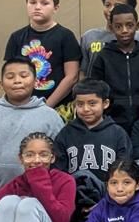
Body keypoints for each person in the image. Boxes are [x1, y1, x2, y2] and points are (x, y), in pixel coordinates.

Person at [0, 58, 64, 189]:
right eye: (10, 76)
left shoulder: (51, 116)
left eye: (24, 76)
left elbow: (60, 160)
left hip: (39, 194)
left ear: (35, 82)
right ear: (1, 83)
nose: (17, 81)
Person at [53, 79, 132, 213]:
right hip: (74, 199)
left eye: (92, 103)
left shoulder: (118, 133)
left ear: (105, 103)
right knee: (81, 176)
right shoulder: (65, 133)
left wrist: (108, 199)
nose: (86, 109)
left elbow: (125, 171)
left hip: (109, 197)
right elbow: (58, 173)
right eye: (80, 104)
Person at [4, 0, 82, 114]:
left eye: (44, 3)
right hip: (23, 107)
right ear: (26, 4)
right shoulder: (16, 37)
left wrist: (46, 107)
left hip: (58, 108)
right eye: (32, 2)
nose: (37, 7)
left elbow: (72, 77)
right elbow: (10, 75)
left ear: (56, 7)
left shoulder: (65, 36)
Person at [87, 5, 139, 130]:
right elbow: (96, 90)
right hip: (112, 122)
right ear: (111, 27)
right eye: (118, 26)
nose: (124, 30)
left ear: (137, 26)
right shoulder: (103, 57)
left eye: (129, 25)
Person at [80, 0, 139, 71]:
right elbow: (83, 72)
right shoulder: (89, 37)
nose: (111, 9)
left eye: (117, 6)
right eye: (107, 5)